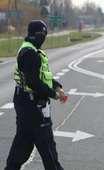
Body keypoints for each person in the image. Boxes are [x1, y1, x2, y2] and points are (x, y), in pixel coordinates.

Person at [5, 20, 65, 170]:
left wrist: (56, 86)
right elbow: (33, 81)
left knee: (23, 142)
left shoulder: (31, 49)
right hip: (32, 103)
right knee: (46, 142)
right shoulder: (30, 52)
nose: (43, 37)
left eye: (44, 34)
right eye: (40, 34)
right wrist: (53, 94)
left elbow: (43, 76)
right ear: (33, 34)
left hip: (25, 101)